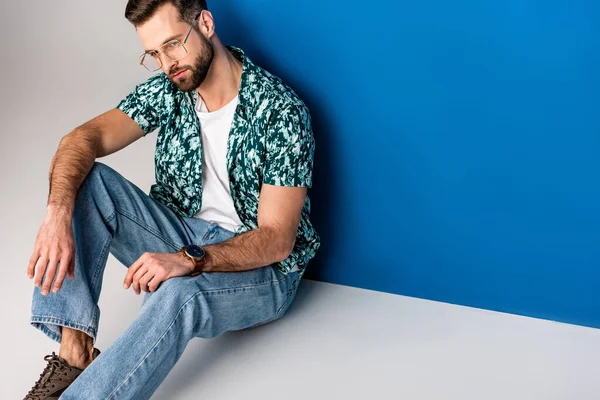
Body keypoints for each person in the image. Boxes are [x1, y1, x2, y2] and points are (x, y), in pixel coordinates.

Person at [23, 0, 320, 398]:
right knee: (85, 179)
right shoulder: (170, 89)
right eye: (153, 54)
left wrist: (190, 260)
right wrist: (57, 215)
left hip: (263, 270)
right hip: (181, 235)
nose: (166, 63)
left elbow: (276, 239)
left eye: (173, 44)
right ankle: (74, 352)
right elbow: (80, 140)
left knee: (183, 292)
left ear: (206, 24)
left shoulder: (280, 112)